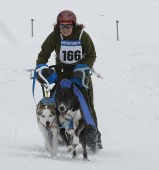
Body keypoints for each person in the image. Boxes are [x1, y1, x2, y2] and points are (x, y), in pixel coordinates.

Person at [35, 10, 102, 149]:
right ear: (58, 26)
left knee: (86, 105)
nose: (65, 29)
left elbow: (91, 55)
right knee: (55, 103)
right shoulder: (54, 36)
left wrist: (83, 68)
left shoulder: (83, 36)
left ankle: (92, 136)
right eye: (62, 26)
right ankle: (56, 135)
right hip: (61, 75)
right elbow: (43, 54)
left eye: (68, 26)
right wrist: (43, 69)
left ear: (74, 25)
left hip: (80, 76)